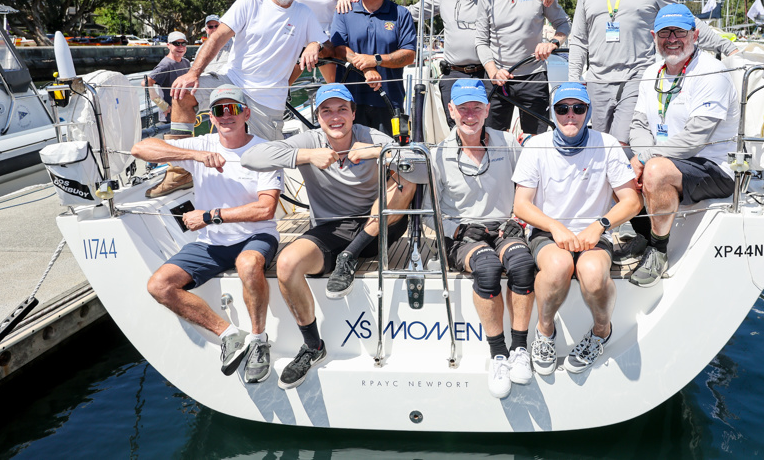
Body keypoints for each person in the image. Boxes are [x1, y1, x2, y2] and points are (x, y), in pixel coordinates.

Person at [240, 84, 416, 389]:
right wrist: (307, 156)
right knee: (286, 264)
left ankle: (350, 256)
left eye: (341, 110)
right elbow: (251, 158)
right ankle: (313, 346)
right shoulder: (310, 140)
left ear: (353, 113)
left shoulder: (371, 136)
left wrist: (375, 152)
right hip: (331, 228)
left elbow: (413, 159)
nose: (335, 117)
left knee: (406, 181)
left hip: (379, 228)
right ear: (318, 116)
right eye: (326, 111)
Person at [130, 85, 283, 384]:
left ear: (246, 113)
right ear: (210, 117)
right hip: (212, 242)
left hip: (256, 236)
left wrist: (210, 216)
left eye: (233, 109)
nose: (226, 116)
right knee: (159, 286)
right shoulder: (202, 145)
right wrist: (197, 155)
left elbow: (266, 209)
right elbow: (141, 148)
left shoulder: (264, 151)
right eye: (219, 110)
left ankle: (258, 339)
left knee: (248, 264)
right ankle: (228, 334)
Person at [155, 0, 325, 197]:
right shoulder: (251, 1)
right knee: (182, 94)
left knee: (266, 166)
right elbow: (217, 38)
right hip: (232, 82)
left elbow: (321, 42)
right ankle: (179, 172)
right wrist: (193, 72)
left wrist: (312, 45)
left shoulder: (304, 14)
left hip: (268, 101)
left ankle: (261, 213)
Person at [512, 83, 642, 375]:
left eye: (578, 108)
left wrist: (600, 225)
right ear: (553, 112)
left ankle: (600, 331)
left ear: (588, 112)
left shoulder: (607, 144)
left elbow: (632, 201)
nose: (570, 115)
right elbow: (521, 205)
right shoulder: (536, 146)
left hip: (594, 233)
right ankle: (545, 332)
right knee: (557, 266)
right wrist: (555, 227)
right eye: (562, 109)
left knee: (594, 274)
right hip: (548, 232)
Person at [568, 0, 737, 145]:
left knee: (621, 143)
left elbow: (685, 19)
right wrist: (572, 81)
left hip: (635, 78)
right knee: (600, 144)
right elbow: (579, 39)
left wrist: (725, 46)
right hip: (597, 82)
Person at [429, 79, 534, 398]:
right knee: (487, 269)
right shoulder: (438, 154)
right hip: (462, 234)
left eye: (477, 107)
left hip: (505, 226)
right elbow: (429, 211)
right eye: (463, 108)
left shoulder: (508, 143)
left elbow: (530, 185)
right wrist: (456, 231)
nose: (470, 114)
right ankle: (499, 354)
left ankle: (520, 349)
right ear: (451, 111)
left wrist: (519, 220)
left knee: (523, 264)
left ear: (488, 109)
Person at [626, 4, 740, 287]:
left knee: (655, 171)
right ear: (654, 36)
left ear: (695, 35)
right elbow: (638, 124)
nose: (672, 38)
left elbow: (695, 139)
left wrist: (647, 158)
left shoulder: (711, 72)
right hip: (668, 159)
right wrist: (640, 155)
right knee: (621, 167)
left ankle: (658, 251)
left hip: (715, 167)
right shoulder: (652, 72)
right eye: (665, 32)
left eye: (680, 31)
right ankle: (643, 236)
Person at [409, 0, 557, 126]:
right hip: (455, 74)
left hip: (486, 73)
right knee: (458, 129)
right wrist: (370, 2)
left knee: (484, 131)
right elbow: (411, 13)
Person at [476, 0, 571, 134]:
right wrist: (493, 72)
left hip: (533, 78)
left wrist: (552, 43)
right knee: (493, 140)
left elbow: (564, 24)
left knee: (536, 141)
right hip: (498, 79)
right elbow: (481, 41)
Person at [330, 0, 417, 134]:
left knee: (393, 154)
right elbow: (338, 48)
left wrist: (376, 60)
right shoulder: (343, 12)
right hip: (350, 102)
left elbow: (409, 55)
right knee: (354, 156)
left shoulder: (401, 14)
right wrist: (366, 67)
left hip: (392, 101)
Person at [143, 30, 191, 126]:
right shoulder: (165, 65)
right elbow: (146, 82)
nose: (181, 47)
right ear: (168, 45)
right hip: (169, 118)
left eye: (183, 43)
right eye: (176, 44)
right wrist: (163, 105)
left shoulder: (186, 62)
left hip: (184, 115)